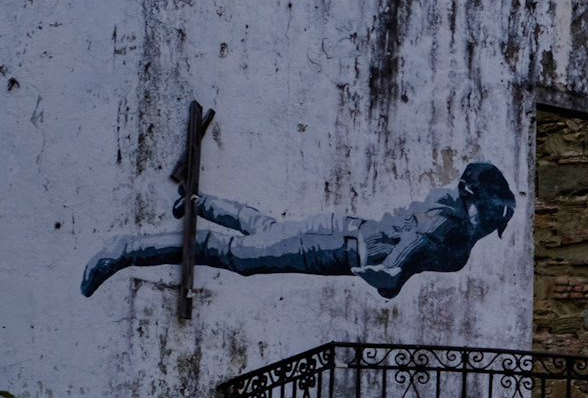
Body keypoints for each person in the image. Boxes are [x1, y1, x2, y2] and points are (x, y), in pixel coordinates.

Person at [81, 160, 516, 300]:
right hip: (336, 247)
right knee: (237, 256)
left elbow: (415, 249)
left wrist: (393, 274)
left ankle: (199, 203)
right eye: (489, 213)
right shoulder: (448, 214)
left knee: (268, 231)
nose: (488, 225)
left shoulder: (460, 231)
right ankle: (127, 249)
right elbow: (414, 241)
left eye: (497, 220)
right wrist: (392, 276)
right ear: (469, 195)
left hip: (341, 234)